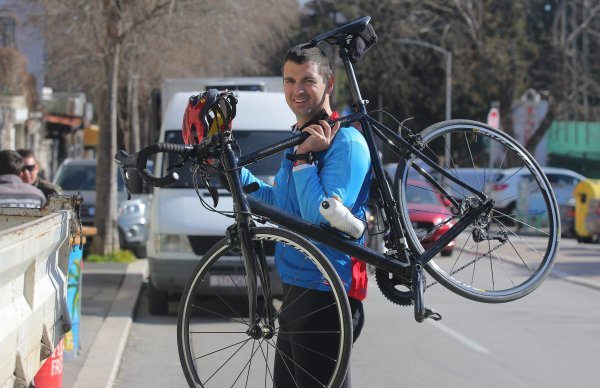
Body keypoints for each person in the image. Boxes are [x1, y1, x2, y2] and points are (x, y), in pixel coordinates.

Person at [239, 44, 372, 387]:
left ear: (328, 85)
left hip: (330, 295)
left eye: (307, 81)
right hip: (297, 290)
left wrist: (302, 160)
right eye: (289, 80)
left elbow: (318, 217)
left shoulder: (348, 144)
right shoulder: (298, 141)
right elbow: (282, 207)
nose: (297, 90)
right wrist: (230, 174)